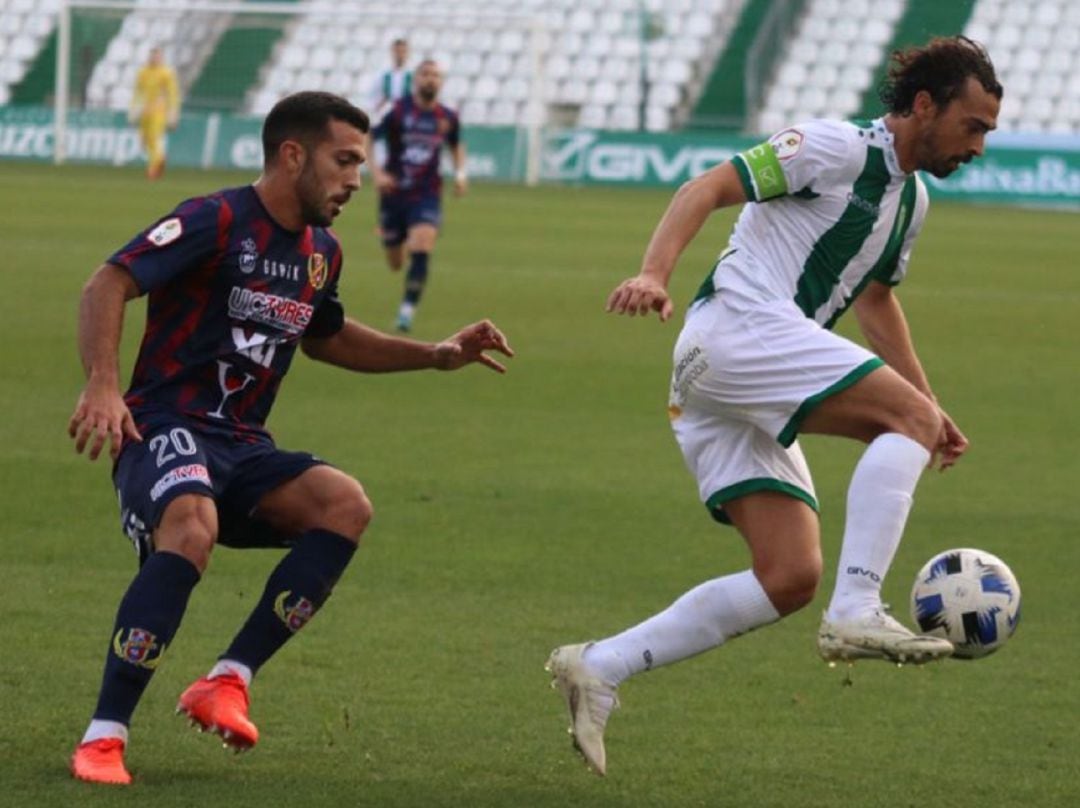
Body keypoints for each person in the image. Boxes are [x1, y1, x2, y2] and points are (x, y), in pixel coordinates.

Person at [546, 36, 1001, 776]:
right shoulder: (832, 146)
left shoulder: (912, 200)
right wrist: (654, 273)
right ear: (925, 105)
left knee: (788, 576)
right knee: (902, 426)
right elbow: (706, 187)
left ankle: (599, 666)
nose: (978, 144)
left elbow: (877, 301)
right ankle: (858, 608)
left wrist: (926, 402)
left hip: (728, 376)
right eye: (972, 125)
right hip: (737, 330)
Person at [68, 91, 513, 786]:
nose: (356, 181)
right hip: (162, 426)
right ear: (292, 154)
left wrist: (435, 354)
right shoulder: (213, 219)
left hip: (242, 444)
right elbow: (109, 281)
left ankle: (227, 680)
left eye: (361, 165)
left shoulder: (320, 254)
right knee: (191, 526)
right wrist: (101, 383)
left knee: (345, 505)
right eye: (344, 161)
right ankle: (104, 736)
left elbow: (327, 338)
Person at [368, 59, 467, 332]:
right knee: (395, 262)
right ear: (416, 80)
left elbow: (457, 146)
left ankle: (407, 311)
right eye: (425, 74)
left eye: (435, 75)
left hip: (427, 194)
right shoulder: (396, 110)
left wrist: (460, 175)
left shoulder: (447, 116)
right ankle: (394, 241)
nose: (430, 79)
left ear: (441, 82)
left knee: (422, 243)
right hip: (393, 194)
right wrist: (376, 173)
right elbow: (368, 136)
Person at [129, 46, 180, 180]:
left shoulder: (166, 73)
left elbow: (172, 94)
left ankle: (154, 166)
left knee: (154, 138)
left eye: (157, 56)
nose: (154, 58)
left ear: (161, 58)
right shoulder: (143, 72)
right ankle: (158, 160)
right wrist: (133, 109)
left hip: (159, 111)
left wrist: (173, 113)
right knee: (144, 140)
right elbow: (137, 92)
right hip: (145, 111)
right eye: (153, 55)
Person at [367, 37, 412, 122]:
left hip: (407, 117)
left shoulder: (413, 76)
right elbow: (373, 98)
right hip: (386, 117)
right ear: (392, 52)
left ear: (408, 53)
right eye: (397, 51)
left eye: (403, 51)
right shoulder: (381, 76)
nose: (400, 55)